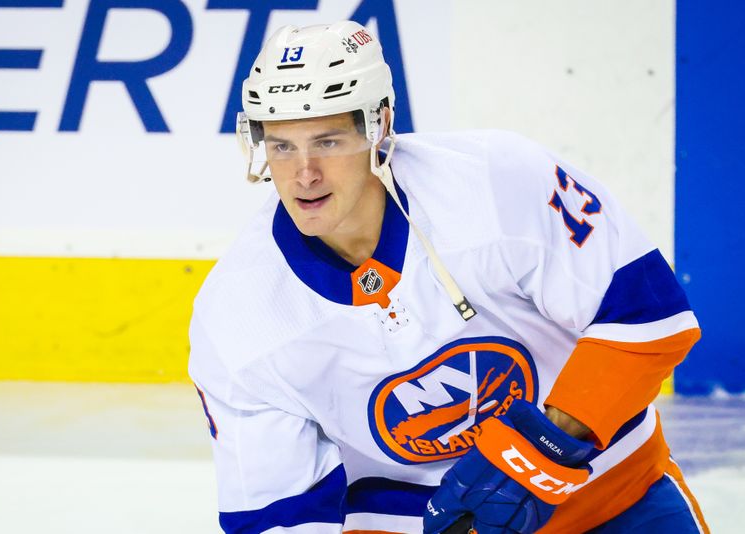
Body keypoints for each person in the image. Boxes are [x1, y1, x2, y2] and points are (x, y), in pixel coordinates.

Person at [188, 20, 708, 533]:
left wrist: (538, 452)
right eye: (282, 146)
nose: (304, 174)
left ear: (379, 126)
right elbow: (279, 517)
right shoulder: (237, 318)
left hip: (616, 499)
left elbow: (647, 316)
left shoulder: (495, 182)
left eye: (327, 141)